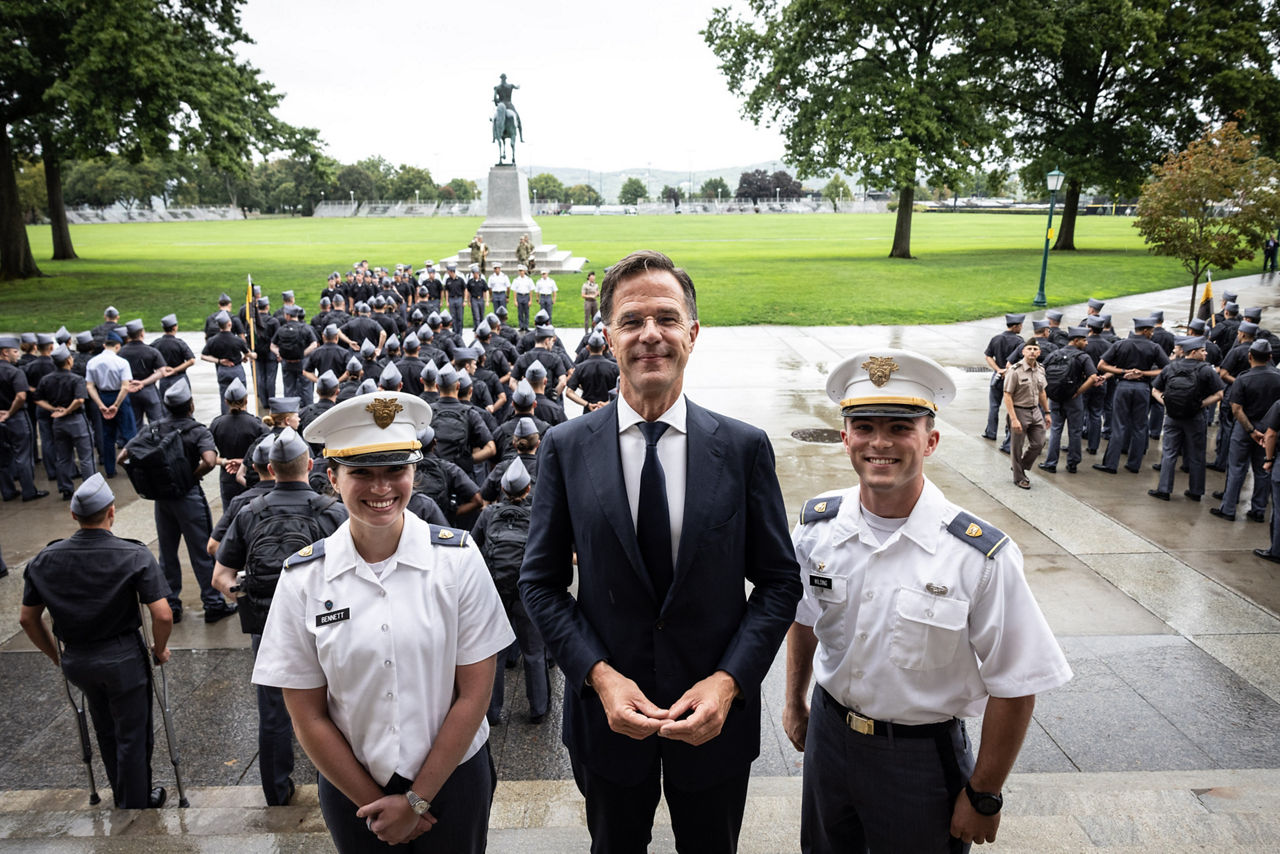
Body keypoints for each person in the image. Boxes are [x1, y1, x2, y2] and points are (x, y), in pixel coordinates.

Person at [520, 249, 803, 853]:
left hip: (715, 723)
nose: (651, 334)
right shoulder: (566, 448)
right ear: (608, 336)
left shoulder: (744, 447)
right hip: (607, 719)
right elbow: (539, 582)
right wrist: (599, 677)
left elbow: (780, 583)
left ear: (693, 334)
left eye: (667, 318)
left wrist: (728, 683)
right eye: (632, 320)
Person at [783, 349, 1073, 853]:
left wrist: (984, 793)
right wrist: (794, 702)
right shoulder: (816, 531)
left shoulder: (979, 556)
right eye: (865, 426)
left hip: (918, 759)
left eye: (900, 428)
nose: (880, 442)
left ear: (931, 440)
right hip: (829, 741)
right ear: (845, 437)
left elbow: (1017, 682)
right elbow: (804, 617)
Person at [252, 391, 514, 853]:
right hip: (354, 788)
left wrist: (415, 800)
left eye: (395, 469)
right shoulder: (303, 577)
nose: (381, 488)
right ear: (331, 477)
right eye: (361, 473)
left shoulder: (457, 559)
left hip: (453, 780)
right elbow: (307, 713)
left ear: (414, 471)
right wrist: (377, 802)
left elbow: (475, 693)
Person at [212, 427, 348, 807]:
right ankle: (338, 785)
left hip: (269, 624)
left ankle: (276, 790)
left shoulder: (247, 511)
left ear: (269, 468)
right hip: (330, 621)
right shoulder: (333, 511)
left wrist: (249, 589)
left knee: (273, 710)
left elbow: (220, 577)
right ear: (309, 464)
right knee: (336, 705)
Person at [19, 473, 172, 809]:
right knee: (133, 733)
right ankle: (134, 805)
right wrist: (159, 649)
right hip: (122, 658)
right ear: (112, 512)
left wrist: (55, 657)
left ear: (74, 516)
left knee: (104, 727)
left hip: (77, 657)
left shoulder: (45, 559)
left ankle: (121, 793)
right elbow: (162, 615)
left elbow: (28, 618)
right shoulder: (132, 554)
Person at [120, 382, 237, 624]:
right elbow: (208, 459)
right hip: (188, 498)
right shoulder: (197, 431)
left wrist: (147, 482)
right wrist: (190, 476)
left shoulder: (153, 428)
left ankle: (172, 604)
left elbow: (124, 457)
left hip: (162, 499)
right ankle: (213, 603)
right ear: (191, 406)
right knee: (202, 552)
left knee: (167, 552)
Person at [471, 457, 548, 726]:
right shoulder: (538, 513)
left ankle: (492, 712)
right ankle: (538, 708)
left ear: (502, 489)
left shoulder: (488, 514)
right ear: (528, 490)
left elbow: (473, 548)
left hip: (495, 591)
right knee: (534, 652)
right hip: (528, 590)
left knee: (496, 652)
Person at [1148, 336, 1225, 502]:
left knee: (1169, 453)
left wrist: (1167, 403)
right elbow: (1220, 394)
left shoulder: (1171, 367)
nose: (1206, 353)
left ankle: (1164, 489)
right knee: (1197, 454)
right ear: (1194, 352)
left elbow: (1154, 390)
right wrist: (1201, 405)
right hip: (1195, 417)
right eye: (1203, 350)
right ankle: (1196, 491)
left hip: (1172, 417)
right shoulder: (1206, 370)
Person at [1211, 339, 1280, 522]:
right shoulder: (1278, 377)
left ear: (1250, 356)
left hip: (1244, 429)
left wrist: (1250, 430)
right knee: (1263, 468)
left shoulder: (1243, 378)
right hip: (1269, 430)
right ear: (1270, 357)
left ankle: (1228, 508)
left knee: (1236, 469)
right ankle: (1258, 509)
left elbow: (1236, 408)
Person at [1093, 317, 1169, 474]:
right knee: (1140, 427)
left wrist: (1122, 371)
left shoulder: (1121, 344)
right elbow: (1166, 369)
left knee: (1119, 425)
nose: (1152, 334)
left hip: (1123, 387)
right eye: (1151, 331)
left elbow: (1101, 365)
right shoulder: (1154, 347)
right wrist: (1144, 372)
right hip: (1143, 388)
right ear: (1146, 330)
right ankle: (1134, 464)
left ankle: (1111, 464)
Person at [33, 345, 95, 500]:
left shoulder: (46, 379)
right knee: (86, 458)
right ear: (68, 360)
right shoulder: (76, 379)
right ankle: (90, 489)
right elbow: (80, 399)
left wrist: (53, 409)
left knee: (63, 457)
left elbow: (37, 399)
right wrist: (67, 410)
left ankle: (66, 489)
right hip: (76, 420)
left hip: (58, 422)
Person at [1037, 327, 1099, 474]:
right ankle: (1072, 464)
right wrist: (1078, 391)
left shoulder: (1054, 354)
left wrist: (1049, 391)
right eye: (1084, 340)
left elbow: (1041, 372)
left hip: (1055, 398)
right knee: (1075, 431)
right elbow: (1093, 377)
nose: (1086, 343)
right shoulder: (1083, 357)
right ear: (1076, 341)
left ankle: (1051, 463)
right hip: (1074, 399)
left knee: (1055, 430)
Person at [0, 334, 47, 501]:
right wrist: (10, 412)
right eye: (14, 351)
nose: (17, 354)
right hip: (16, 417)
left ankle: (8, 491)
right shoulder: (14, 372)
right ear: (5, 353)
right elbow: (21, 396)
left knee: (3, 458)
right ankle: (28, 491)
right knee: (23, 456)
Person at [86, 331, 137, 478]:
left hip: (102, 396)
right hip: (119, 397)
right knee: (129, 434)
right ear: (118, 346)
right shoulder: (122, 362)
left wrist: (101, 404)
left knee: (108, 436)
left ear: (104, 345)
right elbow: (125, 386)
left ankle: (110, 469)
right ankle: (132, 465)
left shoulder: (92, 362)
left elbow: (89, 386)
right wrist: (116, 404)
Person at [1003, 338, 1051, 489]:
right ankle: (1019, 477)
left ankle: (1020, 466)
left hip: (1035, 410)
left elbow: (1042, 392)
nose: (1032, 352)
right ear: (1023, 351)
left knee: (1039, 442)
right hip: (1019, 410)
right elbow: (1007, 395)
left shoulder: (1041, 369)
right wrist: (1013, 419)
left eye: (1035, 349)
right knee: (1017, 447)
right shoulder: (1015, 370)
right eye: (1029, 349)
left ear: (1039, 352)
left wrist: (1047, 412)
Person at [981, 314, 1024, 442]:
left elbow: (988, 356)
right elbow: (1022, 361)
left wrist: (998, 370)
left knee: (994, 406)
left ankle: (991, 432)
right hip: (1012, 377)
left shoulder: (996, 338)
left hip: (997, 376)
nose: (1021, 328)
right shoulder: (1020, 342)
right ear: (1015, 326)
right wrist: (1008, 370)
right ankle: (1008, 436)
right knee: (1012, 407)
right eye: (1020, 325)